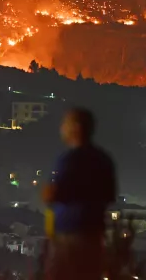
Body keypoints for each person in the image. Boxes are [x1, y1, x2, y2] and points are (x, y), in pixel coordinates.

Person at [42, 107, 117, 280]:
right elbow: (110, 195)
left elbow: (53, 194)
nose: (62, 128)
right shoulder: (103, 160)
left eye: (65, 124)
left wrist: (50, 193)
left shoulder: (69, 159)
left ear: (75, 127)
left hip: (69, 237)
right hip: (94, 237)